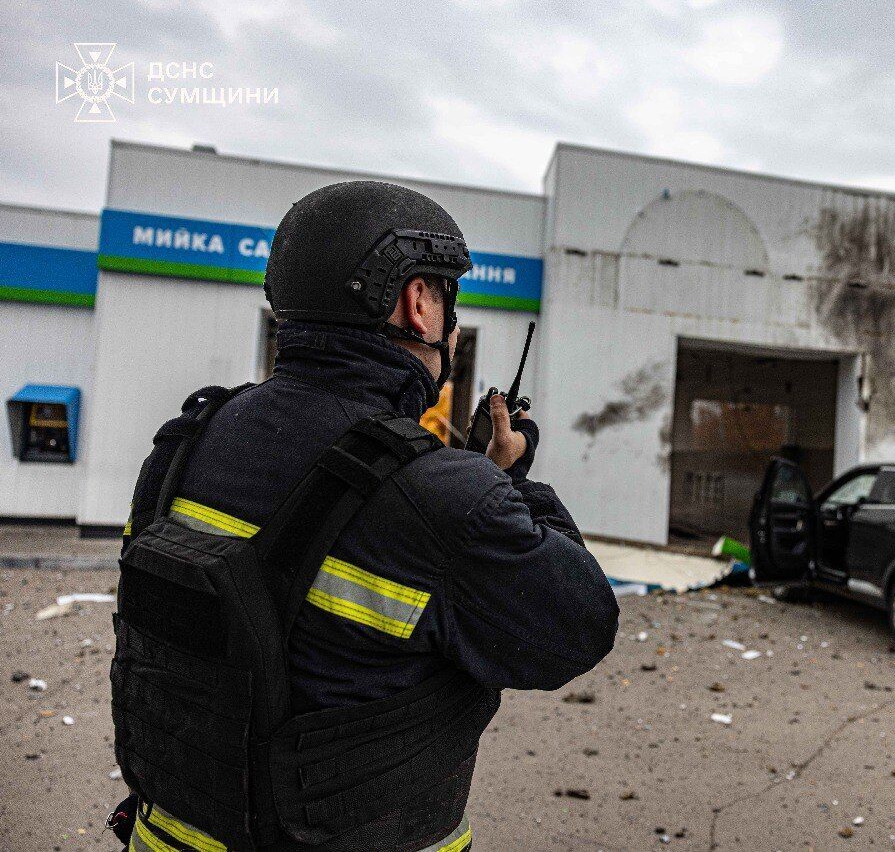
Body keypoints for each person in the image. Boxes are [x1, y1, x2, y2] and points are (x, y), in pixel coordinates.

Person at [109, 181, 619, 851]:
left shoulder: (186, 441)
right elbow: (576, 626)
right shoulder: (442, 495)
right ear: (416, 305)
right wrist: (513, 484)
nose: (452, 322)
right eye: (445, 297)